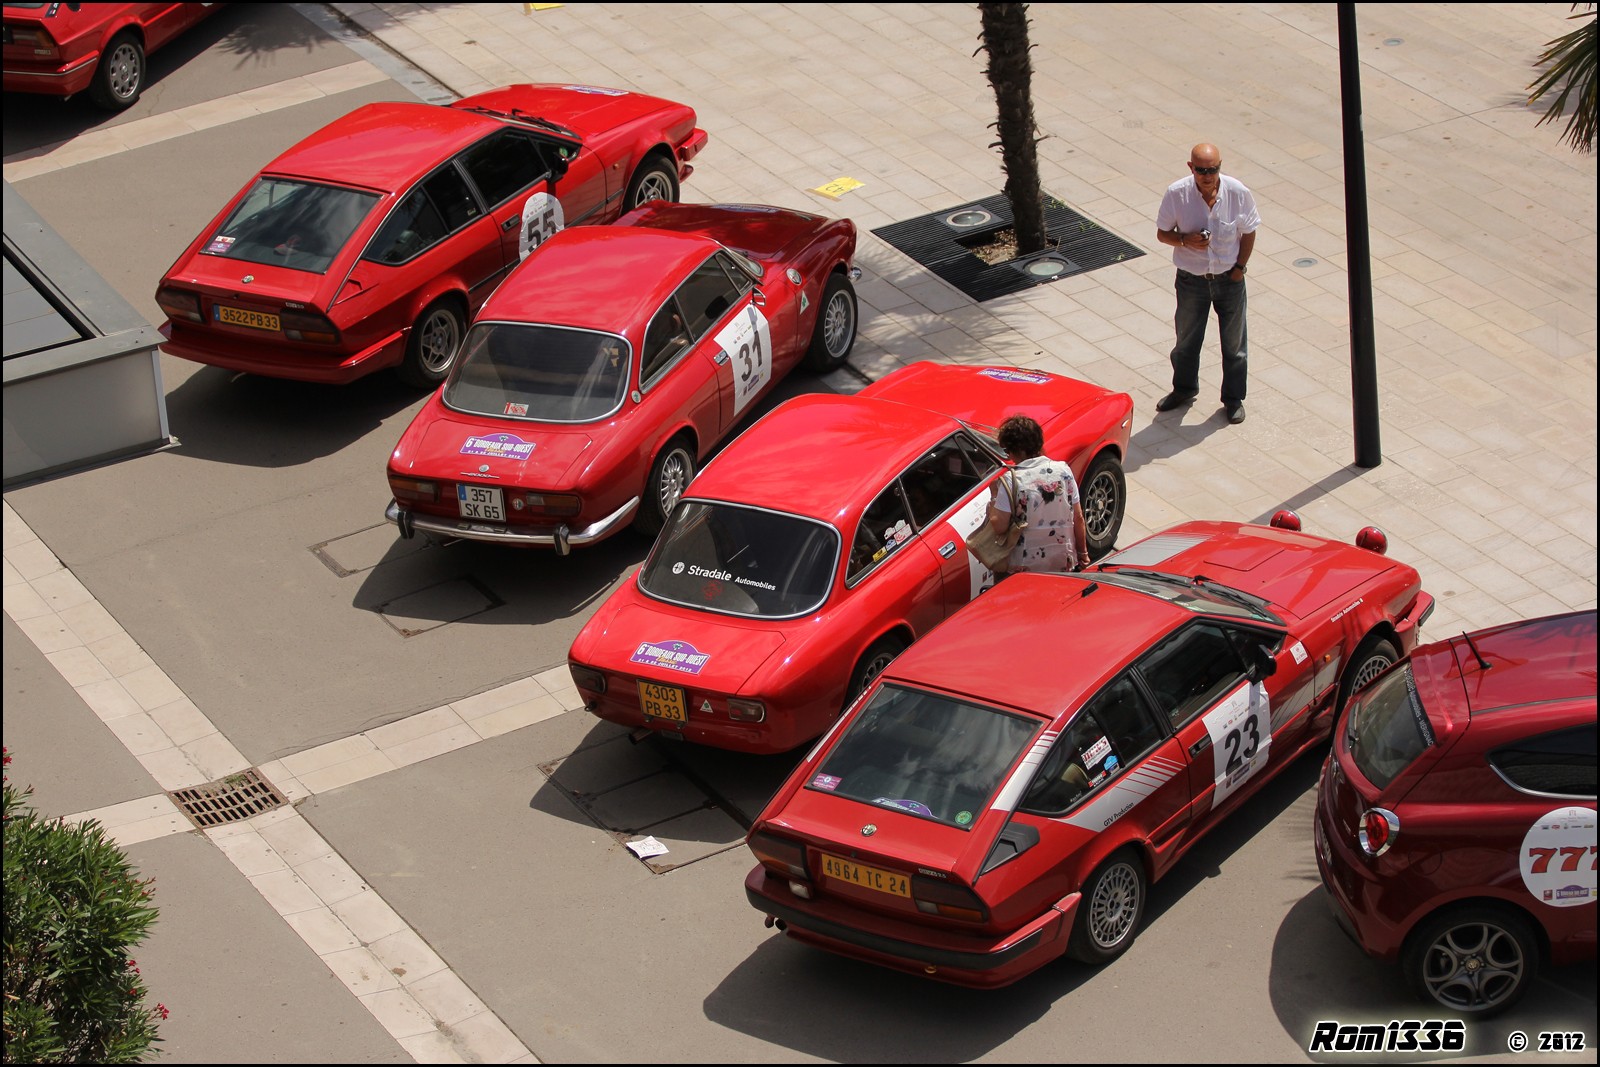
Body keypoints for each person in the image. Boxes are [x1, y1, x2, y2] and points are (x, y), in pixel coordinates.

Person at [1154, 142, 1260, 425]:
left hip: (1229, 280)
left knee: (1235, 343)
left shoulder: (1237, 192)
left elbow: (1249, 231)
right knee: (1186, 340)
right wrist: (1185, 240)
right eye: (1201, 170)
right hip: (1192, 281)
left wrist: (1239, 269)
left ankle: (1234, 399)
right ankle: (1184, 390)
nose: (1207, 175)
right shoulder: (1177, 194)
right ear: (1191, 168)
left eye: (1212, 169)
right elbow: (1162, 233)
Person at [984, 414, 1089, 575]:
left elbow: (999, 526)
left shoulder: (1012, 480)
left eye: (1007, 450)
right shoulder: (1063, 471)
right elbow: (1078, 517)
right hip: (1063, 561)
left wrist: (994, 495)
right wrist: (1083, 553)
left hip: (1026, 567)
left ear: (1015, 450)